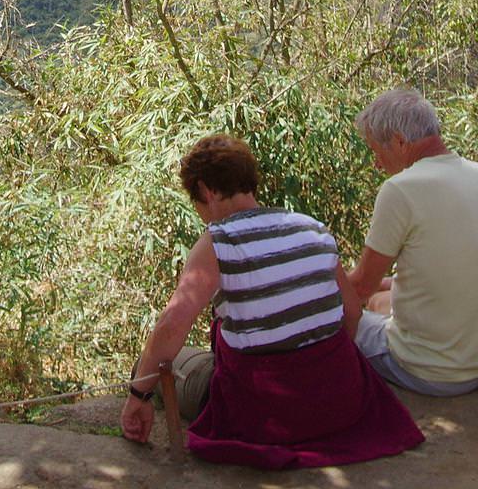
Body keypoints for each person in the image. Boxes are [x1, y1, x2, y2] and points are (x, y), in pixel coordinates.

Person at [120, 134, 423, 469]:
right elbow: (351, 312)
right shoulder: (313, 229)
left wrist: (139, 394)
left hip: (265, 412)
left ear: (206, 191)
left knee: (154, 364)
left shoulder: (218, 242)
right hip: (339, 402)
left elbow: (172, 324)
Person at [344, 88, 478, 396]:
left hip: (432, 371)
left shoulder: (400, 189)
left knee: (341, 325)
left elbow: (359, 287)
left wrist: (312, 289)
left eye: (377, 152)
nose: (377, 165)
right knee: (380, 302)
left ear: (399, 141)